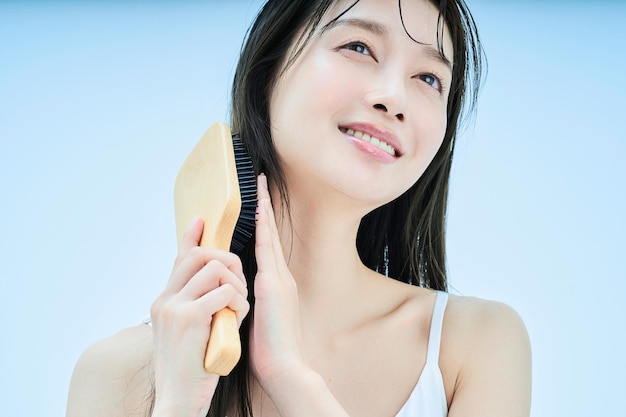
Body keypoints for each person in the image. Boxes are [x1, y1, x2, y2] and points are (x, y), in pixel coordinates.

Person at [66, 0, 532, 416]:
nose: (393, 98)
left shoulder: (474, 345)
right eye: (359, 47)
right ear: (270, 70)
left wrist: (291, 379)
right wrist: (178, 405)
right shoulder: (118, 372)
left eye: (429, 78)